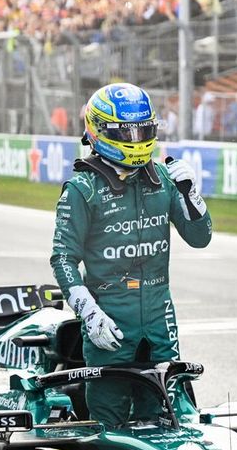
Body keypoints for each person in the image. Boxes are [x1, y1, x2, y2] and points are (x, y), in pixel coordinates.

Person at [50, 83, 213, 428]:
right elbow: (62, 258)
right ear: (99, 130)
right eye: (126, 131)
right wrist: (87, 311)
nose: (136, 139)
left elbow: (200, 239)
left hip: (159, 324)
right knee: (108, 428)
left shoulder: (166, 180)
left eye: (144, 130)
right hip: (109, 326)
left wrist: (192, 196)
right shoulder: (82, 189)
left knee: (168, 423)